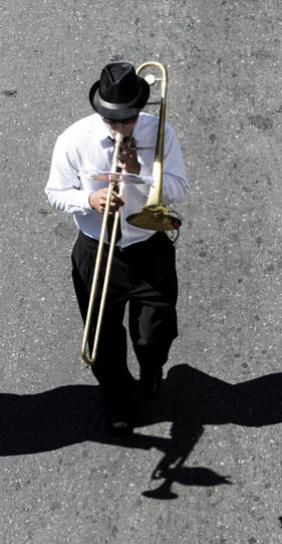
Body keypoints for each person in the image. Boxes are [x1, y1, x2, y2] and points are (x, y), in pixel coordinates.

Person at [45, 62, 188, 433]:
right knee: (103, 340)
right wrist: (88, 200)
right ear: (100, 111)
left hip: (147, 245)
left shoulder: (159, 133)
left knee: (153, 331)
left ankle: (152, 366)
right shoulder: (74, 140)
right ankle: (119, 400)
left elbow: (179, 190)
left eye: (128, 119)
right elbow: (55, 193)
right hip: (97, 248)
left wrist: (140, 169)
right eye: (113, 120)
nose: (121, 128)